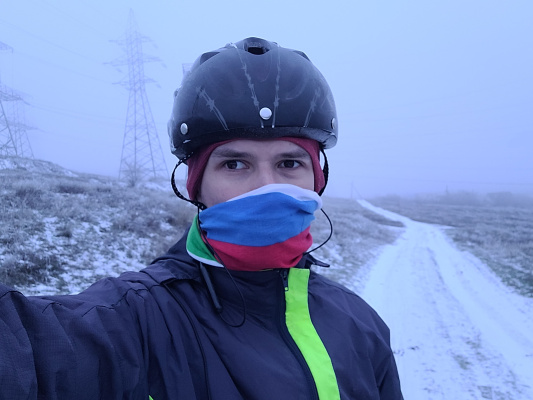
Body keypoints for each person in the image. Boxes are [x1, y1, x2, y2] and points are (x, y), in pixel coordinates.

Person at [0, 37, 403, 399]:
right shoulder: (138, 320)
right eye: (234, 164)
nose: (266, 187)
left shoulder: (361, 326)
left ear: (317, 178)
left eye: (289, 163)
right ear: (195, 186)